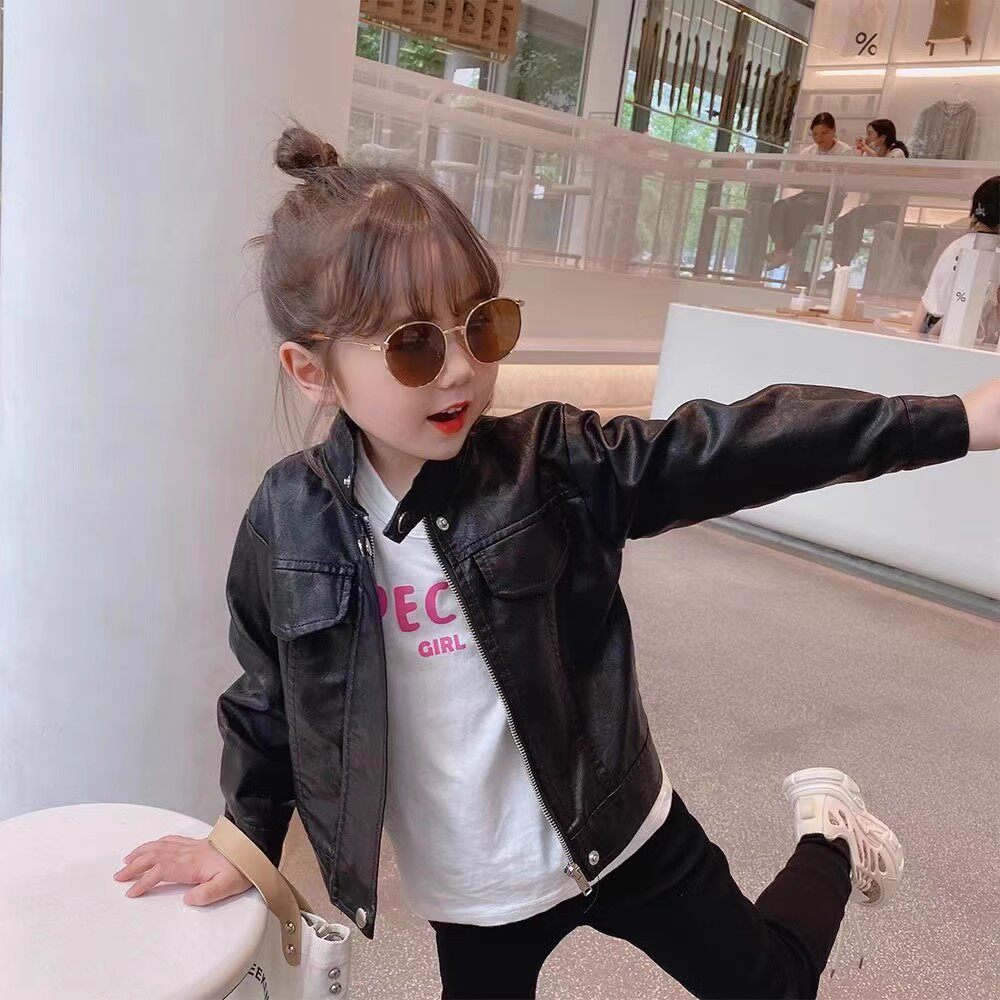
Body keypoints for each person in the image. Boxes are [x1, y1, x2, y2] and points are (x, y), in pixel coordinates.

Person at [113, 125, 1000, 1000]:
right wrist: (243, 838)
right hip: (473, 895)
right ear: (311, 371)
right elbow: (270, 695)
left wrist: (959, 420)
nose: (460, 369)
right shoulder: (287, 520)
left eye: (481, 325)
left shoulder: (554, 465)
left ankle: (832, 834)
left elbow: (739, 445)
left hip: (621, 830)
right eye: (415, 344)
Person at [766, 112, 856, 271]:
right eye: (815, 134)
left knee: (800, 206)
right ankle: (780, 250)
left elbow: (842, 182)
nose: (819, 138)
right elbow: (799, 177)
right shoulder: (808, 152)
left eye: (824, 133)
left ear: (833, 131)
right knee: (779, 205)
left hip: (831, 200)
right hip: (808, 195)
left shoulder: (845, 151)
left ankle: (783, 251)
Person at [912, 175, 1000, 337]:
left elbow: (927, 298)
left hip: (934, 327)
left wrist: (916, 336)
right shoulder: (991, 254)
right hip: (954, 333)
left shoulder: (957, 245)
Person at [821, 119, 911, 277]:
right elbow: (862, 168)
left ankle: (844, 263)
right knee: (842, 222)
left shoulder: (897, 153)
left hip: (890, 207)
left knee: (854, 220)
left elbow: (886, 168)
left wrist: (867, 149)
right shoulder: (878, 153)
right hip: (874, 206)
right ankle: (838, 263)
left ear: (882, 137)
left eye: (871, 134)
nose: (868, 137)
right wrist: (862, 151)